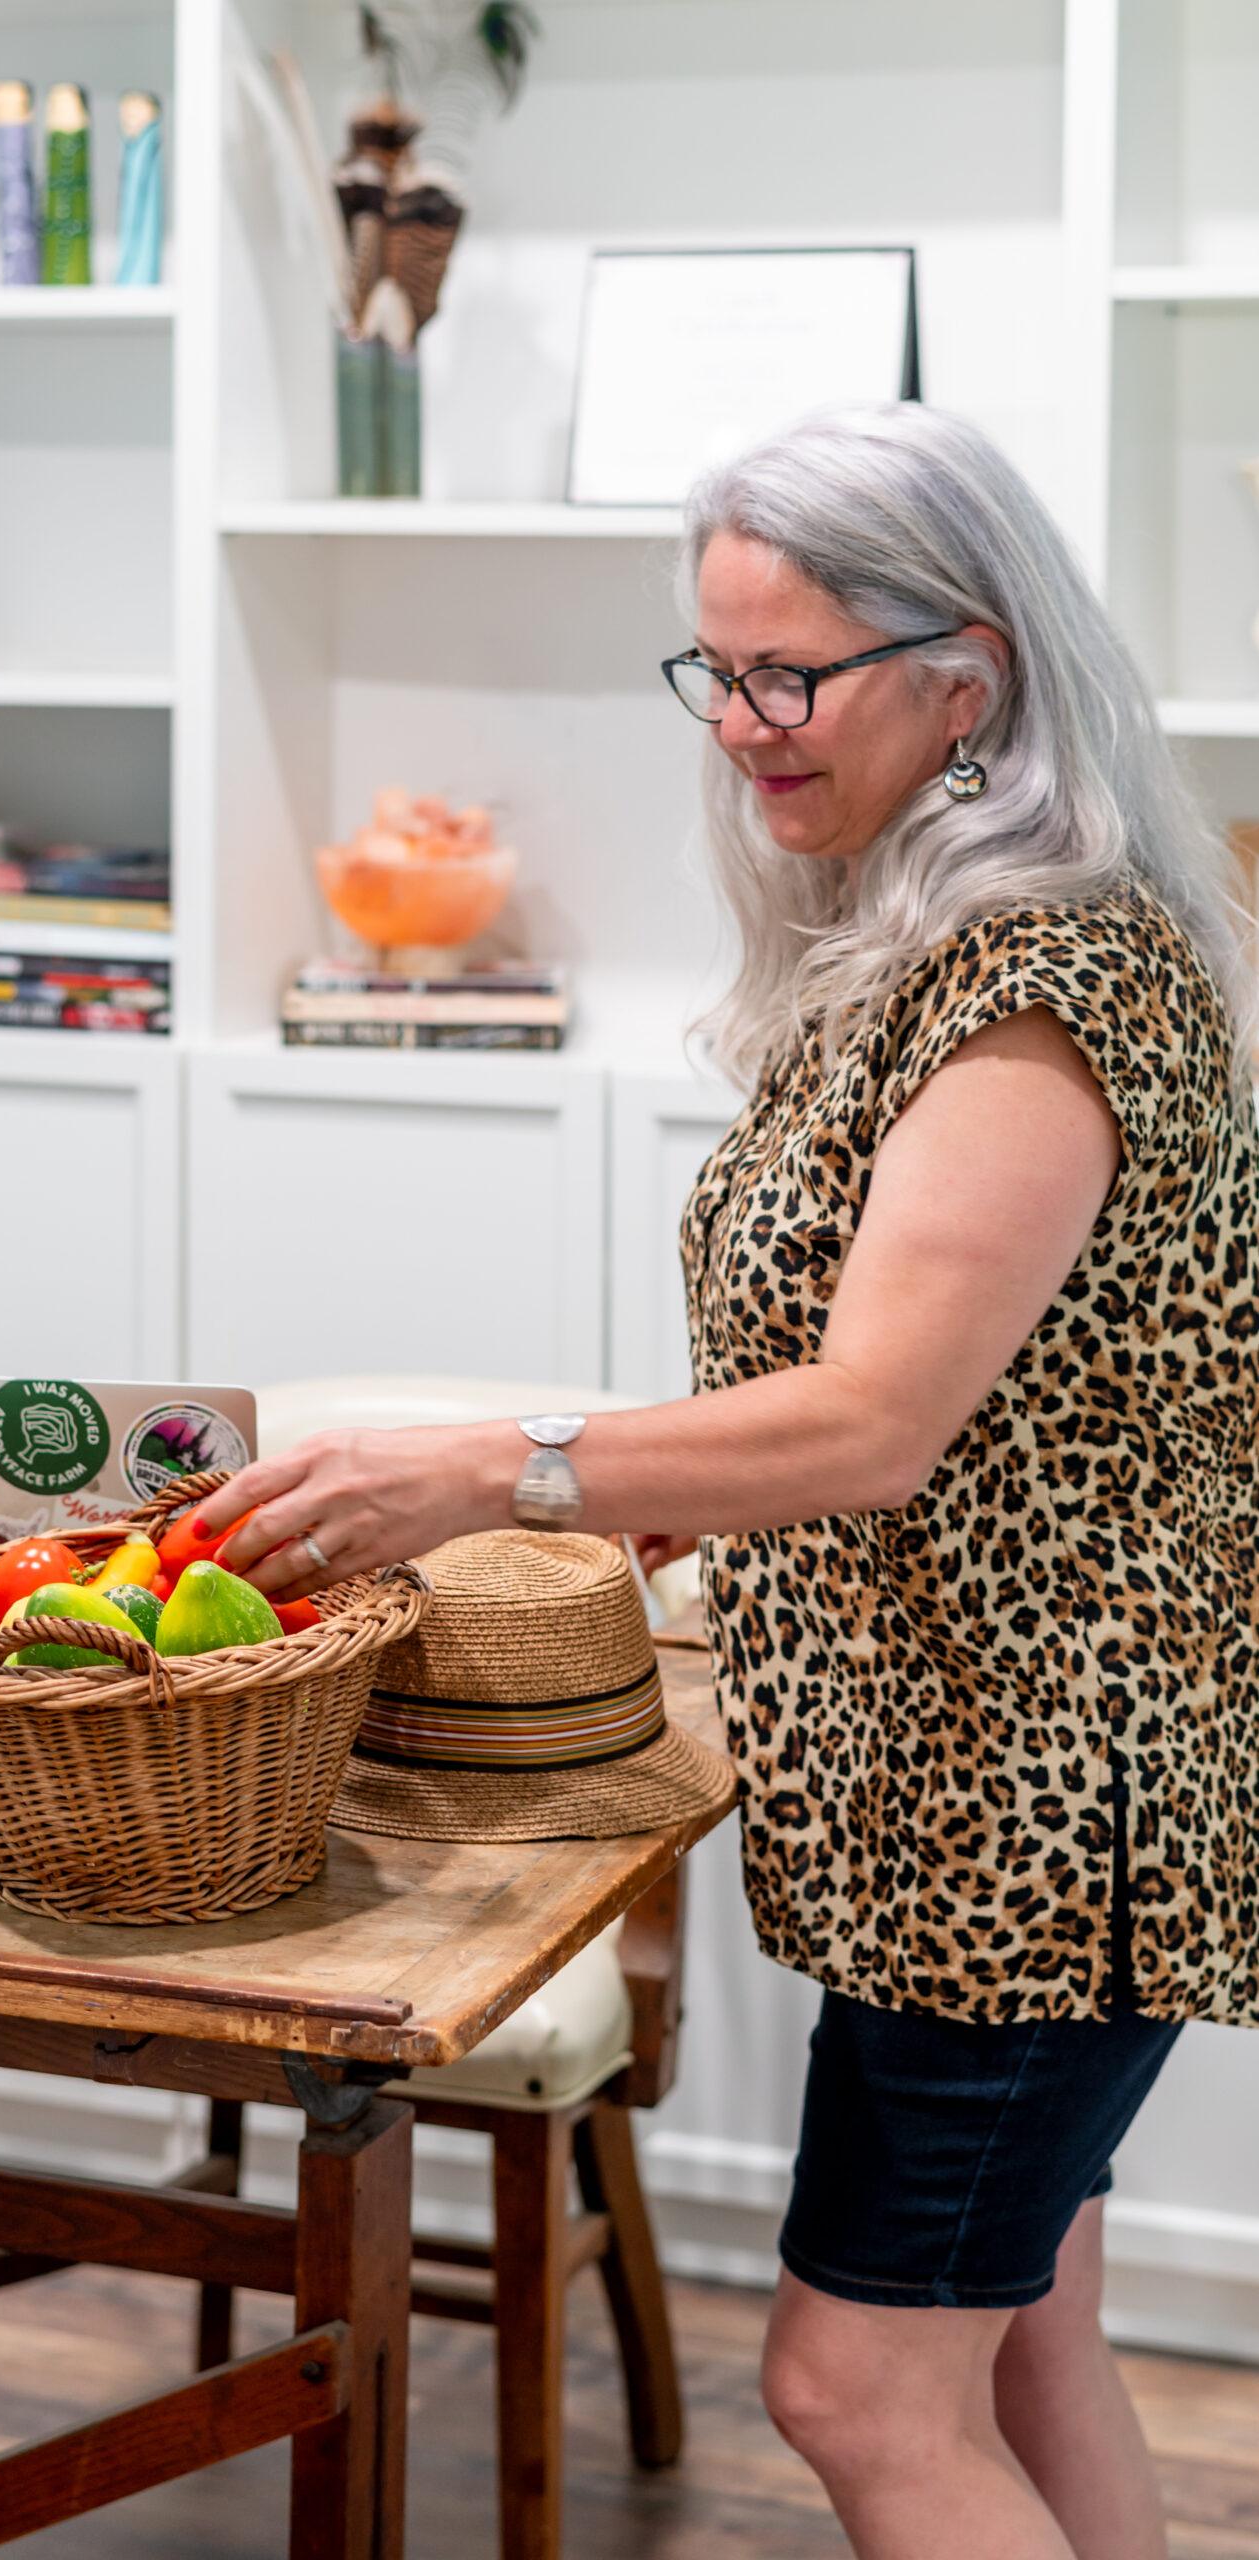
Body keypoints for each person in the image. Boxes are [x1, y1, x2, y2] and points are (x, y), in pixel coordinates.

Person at [202, 402, 1259, 2560]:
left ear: (967, 682)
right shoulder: (938, 941)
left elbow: (876, 1419)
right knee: (1023, 2326)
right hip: (976, 1780)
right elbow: (928, 1371)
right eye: (718, 669)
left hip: (1038, 1810)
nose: (742, 725)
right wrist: (675, 1470)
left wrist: (514, 1466)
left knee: (856, 2386)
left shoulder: (1039, 984)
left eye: (793, 675)